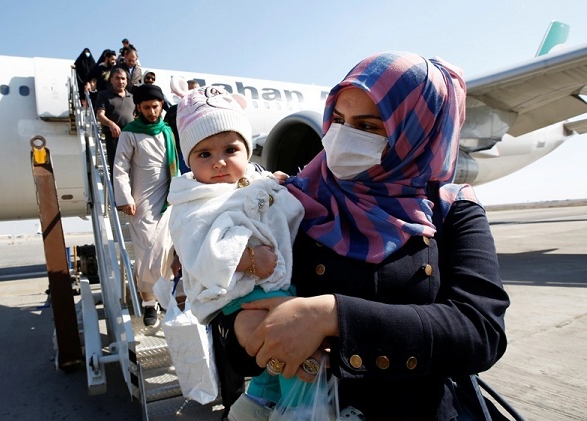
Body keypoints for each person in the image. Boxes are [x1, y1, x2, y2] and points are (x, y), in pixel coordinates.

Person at [217, 51, 511, 420]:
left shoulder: (452, 209)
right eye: (338, 120)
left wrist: (332, 316)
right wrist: (242, 329)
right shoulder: (290, 200)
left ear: (415, 132)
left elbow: (479, 331)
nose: (341, 137)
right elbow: (234, 305)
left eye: (368, 126)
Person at [167, 86, 305, 419]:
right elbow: (197, 248)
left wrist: (275, 186)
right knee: (285, 344)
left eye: (230, 149)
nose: (219, 162)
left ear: (248, 150)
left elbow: (263, 205)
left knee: (279, 346)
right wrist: (248, 260)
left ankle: (261, 399)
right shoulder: (192, 200)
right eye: (204, 155)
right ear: (189, 161)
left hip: (275, 285)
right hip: (240, 297)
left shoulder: (253, 183)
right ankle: (302, 406)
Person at [113, 83, 179, 327]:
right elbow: (120, 168)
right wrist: (125, 198)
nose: (152, 112)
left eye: (155, 106)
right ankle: (149, 302)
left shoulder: (167, 131)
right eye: (146, 107)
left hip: (168, 196)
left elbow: (176, 165)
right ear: (138, 108)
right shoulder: (130, 133)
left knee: (166, 250)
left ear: (161, 105)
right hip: (142, 201)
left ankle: (164, 297)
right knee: (145, 252)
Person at [94, 67, 134, 180]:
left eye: (123, 79)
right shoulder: (104, 95)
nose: (120, 81)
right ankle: (116, 195)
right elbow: (100, 115)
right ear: (111, 80)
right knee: (116, 168)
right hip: (114, 137)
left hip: (131, 137)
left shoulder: (132, 97)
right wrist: (111, 124)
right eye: (117, 78)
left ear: (127, 81)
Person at [164, 79, 202, 174]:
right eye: (190, 90)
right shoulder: (172, 111)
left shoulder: (203, 109)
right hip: (179, 154)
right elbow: (166, 132)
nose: (193, 93)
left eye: (196, 90)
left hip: (200, 153)